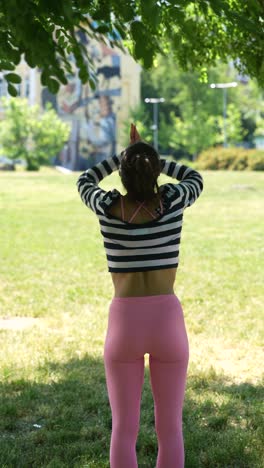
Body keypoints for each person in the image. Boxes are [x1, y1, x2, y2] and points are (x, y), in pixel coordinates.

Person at [76, 124, 204, 468]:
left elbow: (84, 180)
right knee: (170, 428)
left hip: (125, 324)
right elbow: (194, 177)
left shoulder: (106, 206)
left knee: (124, 429)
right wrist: (153, 160)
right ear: (156, 172)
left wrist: (124, 157)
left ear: (122, 175)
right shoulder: (174, 201)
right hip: (167, 322)